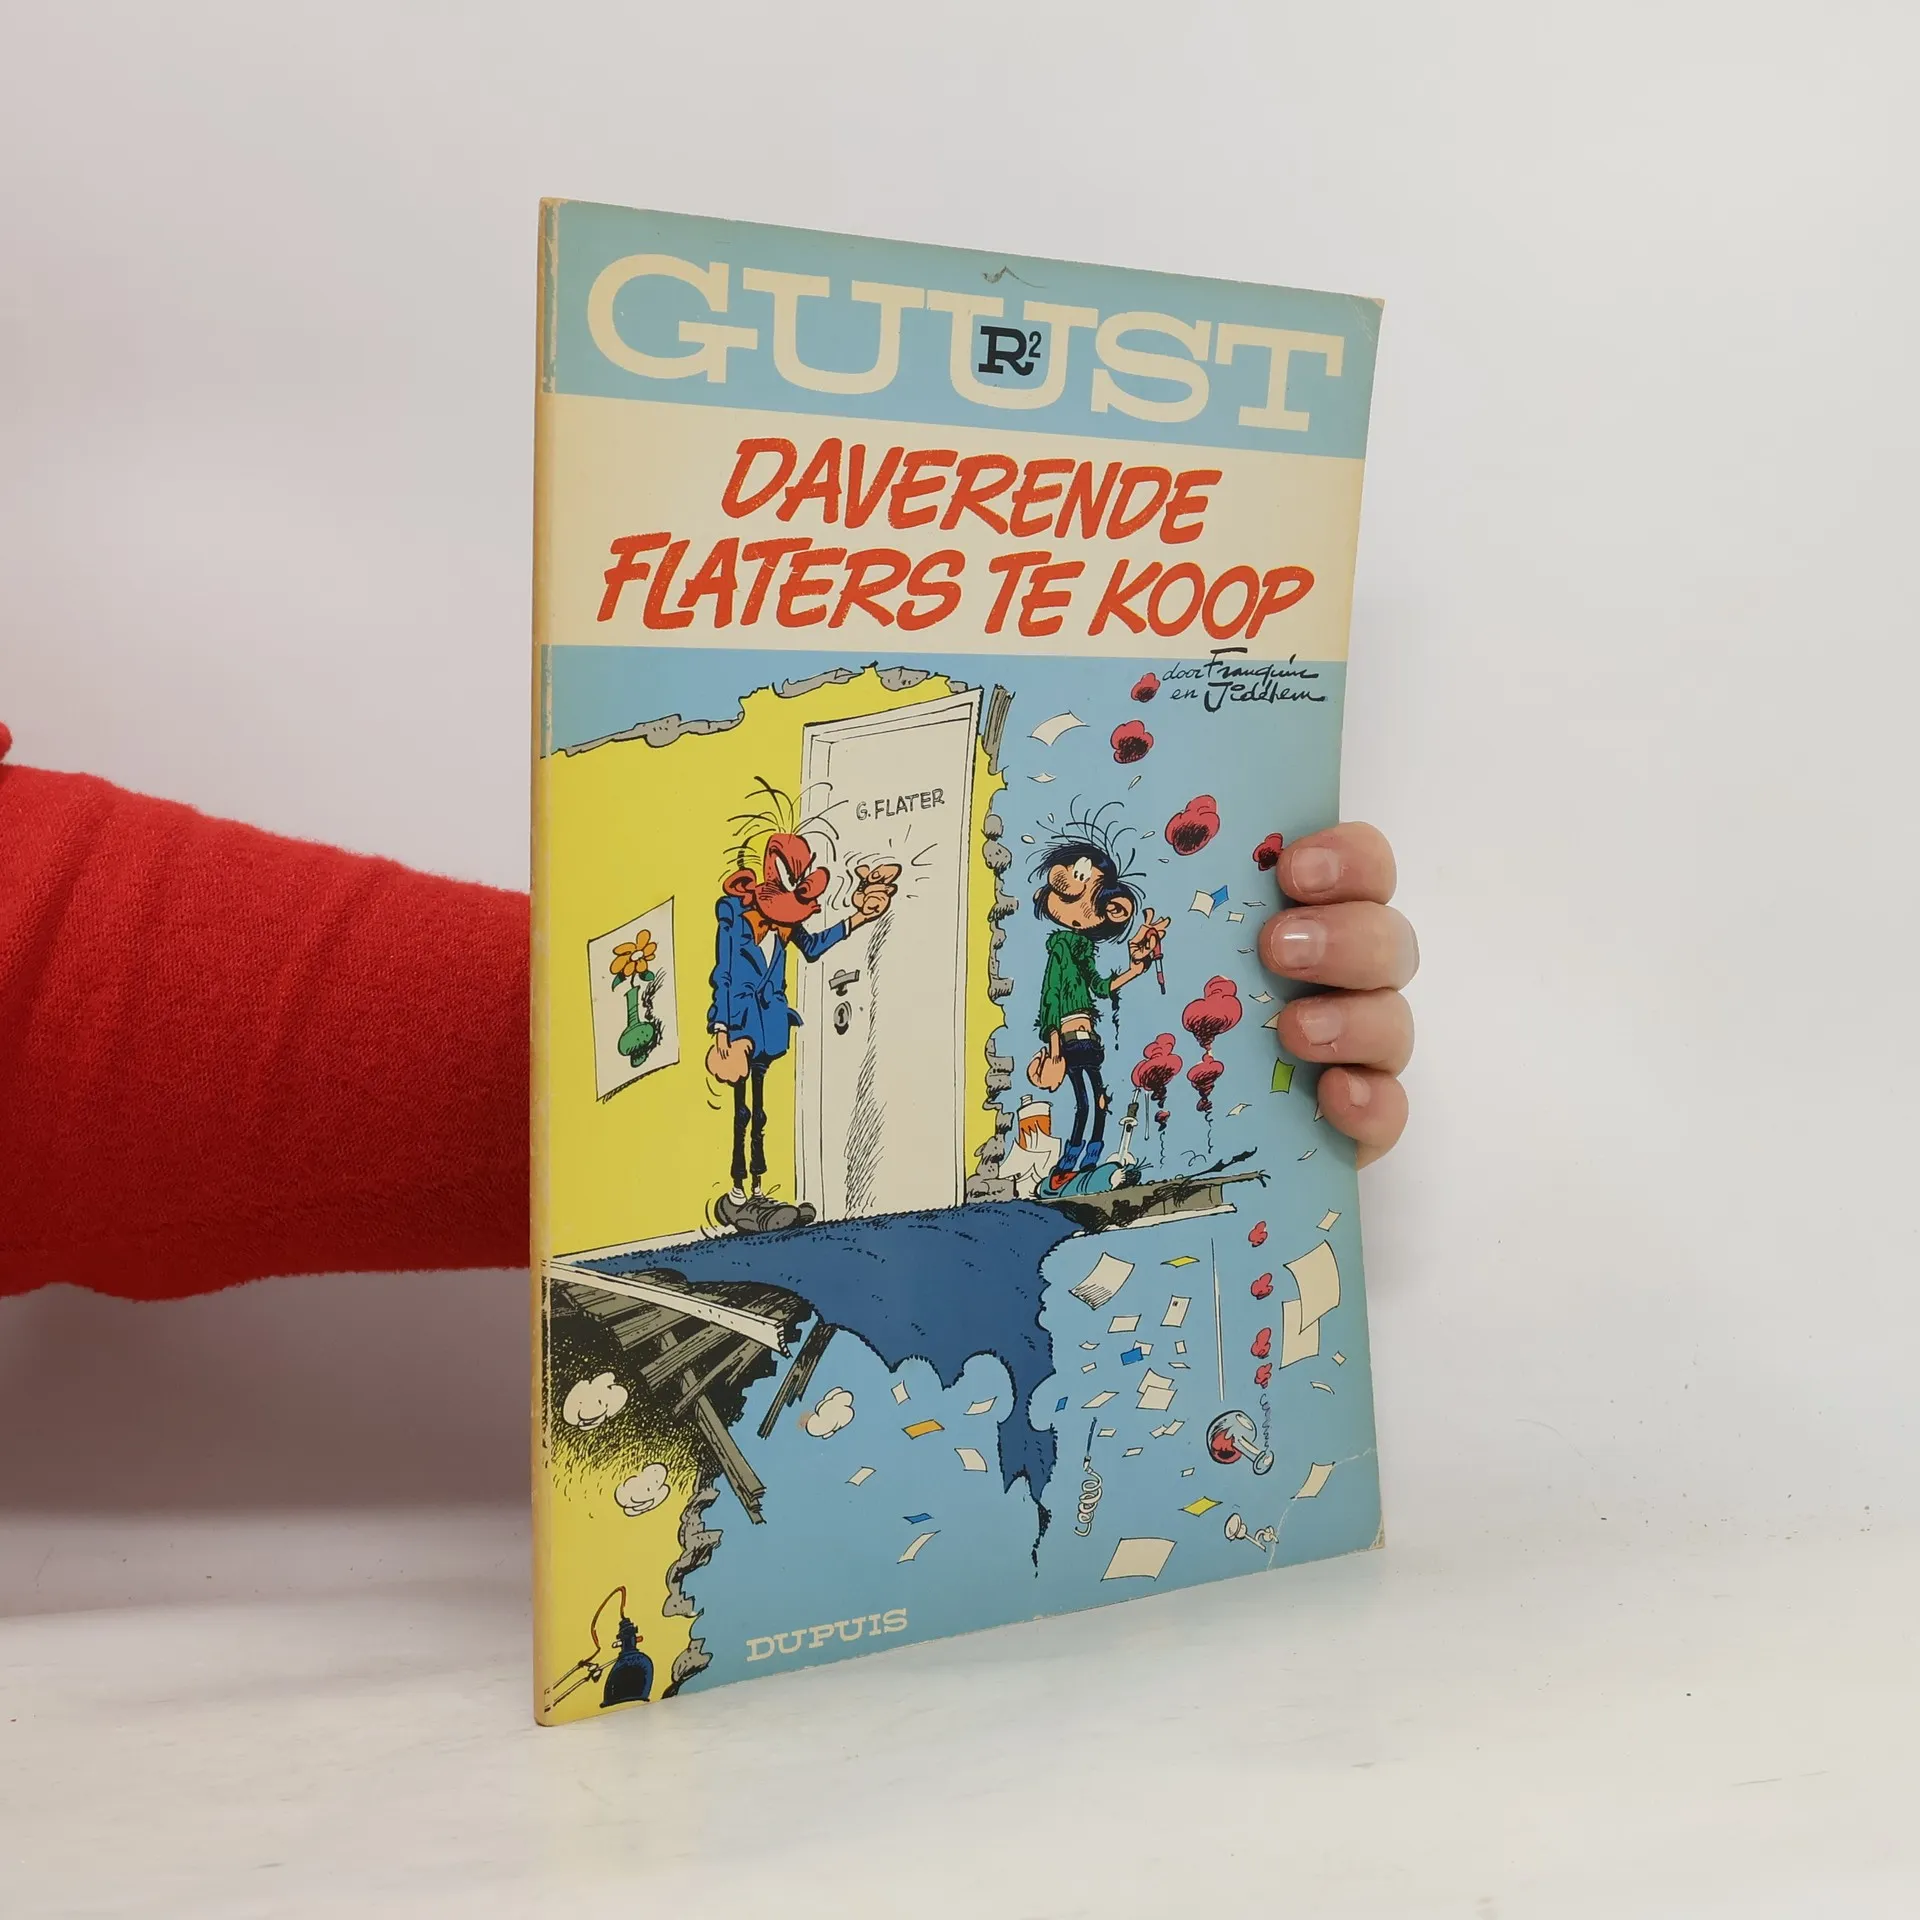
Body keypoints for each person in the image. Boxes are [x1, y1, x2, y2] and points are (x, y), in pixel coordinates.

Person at [0, 720, 1418, 1301]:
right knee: (758, 1123)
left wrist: (1220, 978)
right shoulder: (761, 923)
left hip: (860, 1063)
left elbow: (56, 980)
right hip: (788, 1056)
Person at [1027, 832, 1172, 1192]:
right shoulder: (1062, 946)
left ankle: (1086, 1162)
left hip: (1086, 1037)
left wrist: (1136, 968)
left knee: (1097, 1100)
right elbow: (1051, 996)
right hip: (1070, 1038)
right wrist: (1054, 1043)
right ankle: (1071, 1164)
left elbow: (1100, 986)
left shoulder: (1078, 948)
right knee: (1087, 1101)